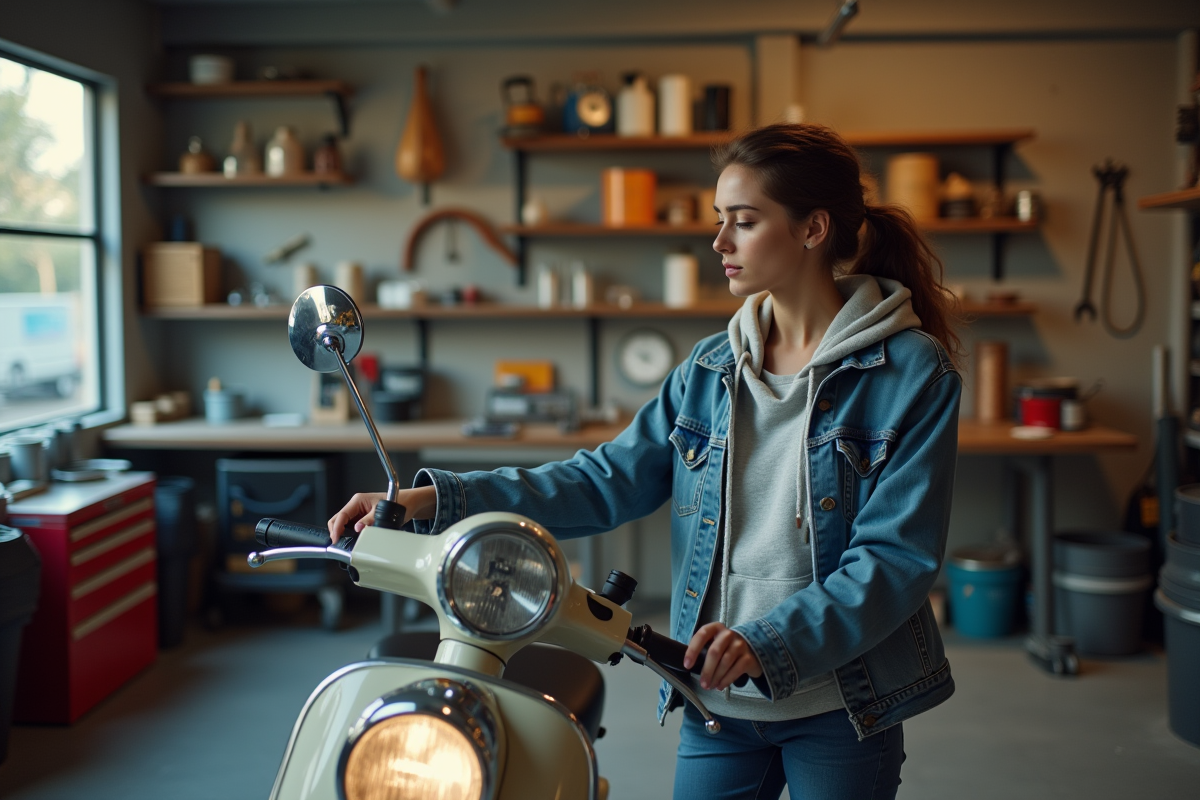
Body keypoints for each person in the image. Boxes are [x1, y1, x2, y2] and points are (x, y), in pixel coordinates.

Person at [330, 122, 962, 800]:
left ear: (812, 229)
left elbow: (896, 560)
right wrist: (437, 500)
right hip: (718, 704)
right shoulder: (711, 368)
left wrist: (769, 643)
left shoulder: (911, 373)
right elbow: (602, 481)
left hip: (842, 707)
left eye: (743, 222)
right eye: (720, 220)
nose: (719, 242)